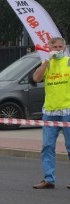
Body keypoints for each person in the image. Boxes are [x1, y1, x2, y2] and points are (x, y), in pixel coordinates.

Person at [32, 37, 70, 189]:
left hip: (68, 110)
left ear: (64, 48)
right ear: (49, 48)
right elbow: (36, 78)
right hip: (50, 111)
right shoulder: (46, 63)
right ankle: (49, 179)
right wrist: (47, 60)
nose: (58, 49)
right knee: (47, 146)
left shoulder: (68, 62)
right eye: (55, 47)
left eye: (60, 47)